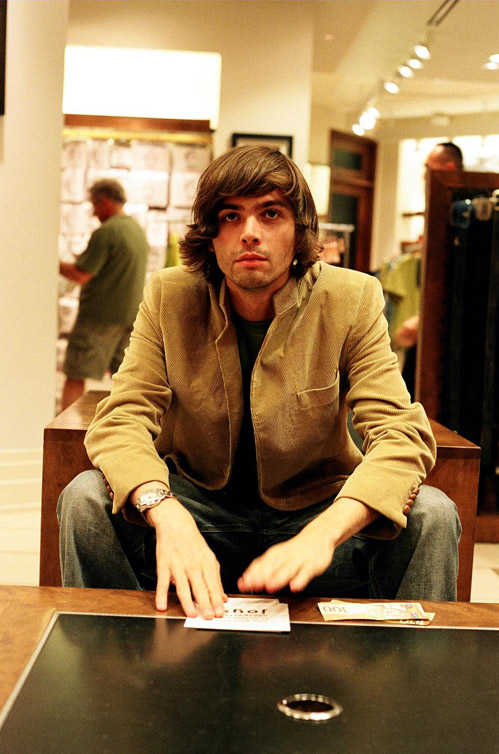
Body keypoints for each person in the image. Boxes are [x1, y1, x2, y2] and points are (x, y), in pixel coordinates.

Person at [57, 146, 461, 620]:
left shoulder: (351, 297)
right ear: (211, 236)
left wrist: (324, 532)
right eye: (231, 216)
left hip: (316, 512)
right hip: (198, 507)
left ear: (299, 233)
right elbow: (122, 418)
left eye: (270, 214)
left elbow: (401, 434)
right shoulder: (170, 294)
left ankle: (413, 686)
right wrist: (166, 513)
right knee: (83, 499)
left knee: (433, 513)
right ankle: (113, 673)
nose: (250, 233)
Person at [59, 178, 149, 410]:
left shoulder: (107, 232)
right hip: (129, 315)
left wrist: (51, 262)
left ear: (105, 201)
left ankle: (66, 433)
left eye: (94, 205)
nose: (93, 212)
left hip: (98, 316)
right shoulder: (136, 230)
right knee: (125, 378)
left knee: (76, 373)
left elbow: (82, 274)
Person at [394, 142, 464, 396]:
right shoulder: (437, 210)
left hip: (448, 336)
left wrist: (425, 319)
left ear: (447, 168)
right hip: (431, 331)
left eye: (428, 168)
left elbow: (460, 280)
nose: (424, 175)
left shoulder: (456, 215)